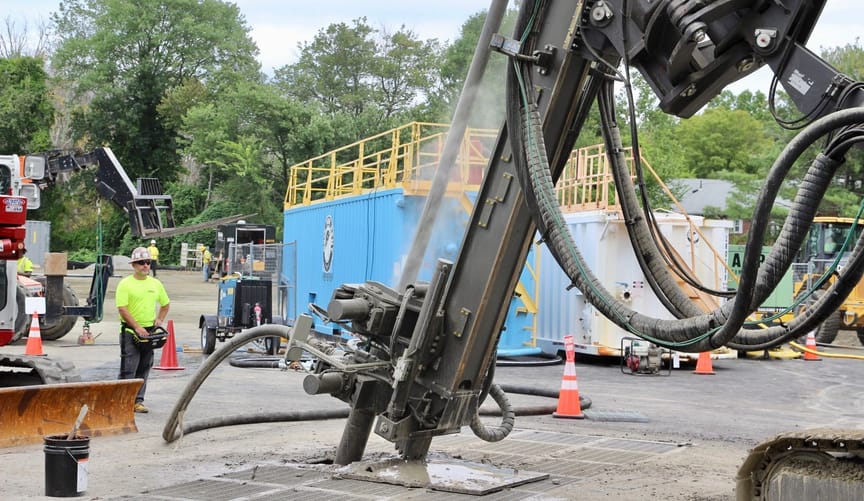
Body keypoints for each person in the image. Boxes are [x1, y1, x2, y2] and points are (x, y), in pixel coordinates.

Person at [116, 247, 170, 413]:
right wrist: (137, 327)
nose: (145, 266)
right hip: (131, 331)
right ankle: (122, 402)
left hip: (149, 331)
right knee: (128, 368)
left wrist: (159, 319)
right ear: (134, 265)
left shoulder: (155, 284)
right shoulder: (125, 284)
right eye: (141, 263)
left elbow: (165, 304)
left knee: (144, 366)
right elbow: (122, 309)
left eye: (148, 262)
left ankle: (137, 401)